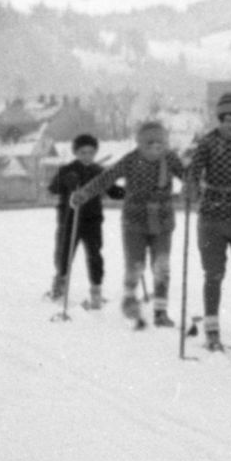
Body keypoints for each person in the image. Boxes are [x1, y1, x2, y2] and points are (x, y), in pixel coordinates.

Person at [70, 121, 187, 329]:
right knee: (135, 264)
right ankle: (130, 300)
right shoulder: (131, 160)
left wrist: (195, 188)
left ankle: (161, 311)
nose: (155, 149)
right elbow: (105, 178)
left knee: (161, 266)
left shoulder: (170, 159)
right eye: (149, 144)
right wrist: (85, 193)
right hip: (135, 221)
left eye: (159, 144)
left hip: (163, 221)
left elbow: (189, 176)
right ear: (140, 144)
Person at [187, 91, 231, 350]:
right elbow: (193, 169)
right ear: (219, 119)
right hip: (212, 217)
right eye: (227, 120)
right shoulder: (208, 142)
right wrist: (191, 186)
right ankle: (212, 329)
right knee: (213, 274)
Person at [47, 133, 124, 306]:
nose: (87, 156)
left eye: (90, 152)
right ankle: (59, 285)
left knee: (95, 255)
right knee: (65, 254)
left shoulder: (99, 171)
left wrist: (128, 192)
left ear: (95, 152)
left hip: (92, 220)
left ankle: (96, 290)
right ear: (76, 152)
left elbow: (113, 191)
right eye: (83, 152)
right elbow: (53, 188)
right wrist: (66, 181)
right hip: (69, 219)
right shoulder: (67, 169)